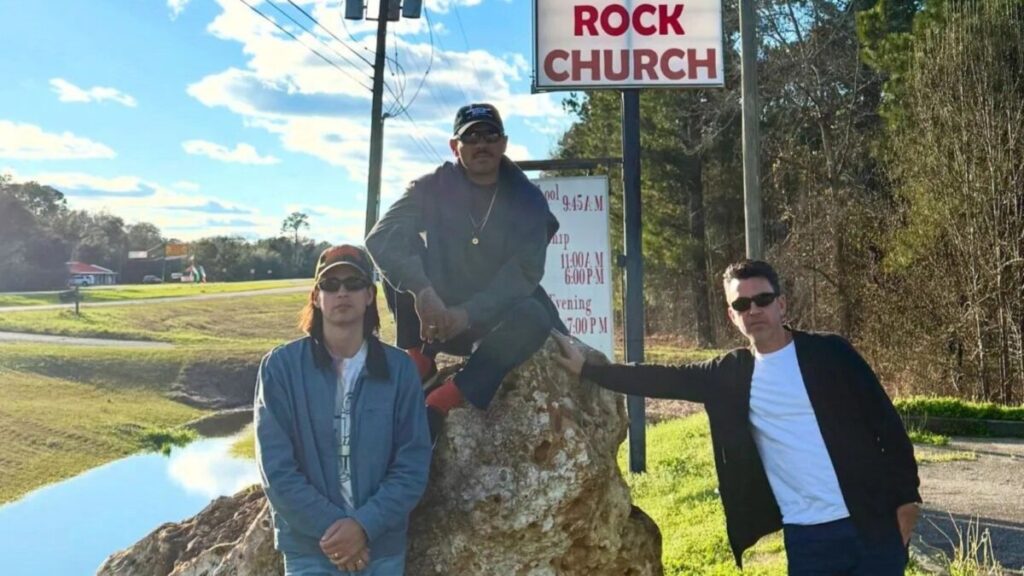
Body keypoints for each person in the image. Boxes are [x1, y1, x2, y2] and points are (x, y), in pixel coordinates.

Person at [553, 259, 921, 575]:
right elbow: (662, 377)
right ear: (732, 315)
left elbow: (886, 426)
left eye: (763, 299)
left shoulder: (831, 353)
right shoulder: (729, 375)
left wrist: (907, 501)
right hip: (807, 537)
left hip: (871, 523)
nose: (754, 310)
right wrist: (589, 369)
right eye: (742, 304)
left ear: (782, 304)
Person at [365, 103, 566, 438]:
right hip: (435, 317)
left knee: (535, 314)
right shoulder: (431, 187)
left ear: (503, 143)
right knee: (400, 248)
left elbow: (525, 273)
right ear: (454, 146)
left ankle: (447, 397)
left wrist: (468, 313)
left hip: (492, 322)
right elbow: (380, 237)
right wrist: (423, 292)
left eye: (490, 135)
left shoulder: (528, 200)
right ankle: (420, 360)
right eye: (470, 137)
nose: (481, 144)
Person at [255, 245, 431, 575]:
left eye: (353, 283)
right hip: (311, 549)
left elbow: (412, 463)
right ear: (316, 296)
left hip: (381, 550)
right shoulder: (280, 368)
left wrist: (363, 526)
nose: (342, 292)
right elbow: (276, 469)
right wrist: (338, 531)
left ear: (369, 294)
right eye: (330, 284)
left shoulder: (401, 370)